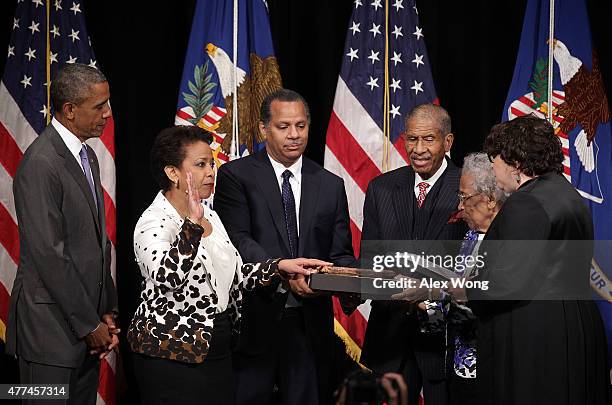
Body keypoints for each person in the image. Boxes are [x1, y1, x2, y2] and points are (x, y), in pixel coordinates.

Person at [127, 125, 328, 405]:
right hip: (172, 357)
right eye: (200, 165)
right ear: (172, 173)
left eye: (212, 163)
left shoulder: (211, 214)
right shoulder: (154, 221)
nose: (211, 172)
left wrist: (280, 267)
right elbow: (168, 277)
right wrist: (192, 227)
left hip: (217, 350)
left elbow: (233, 274)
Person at [214, 89, 356, 405]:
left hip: (308, 328)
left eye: (301, 126)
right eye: (284, 126)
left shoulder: (330, 184)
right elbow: (237, 239)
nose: (294, 135)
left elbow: (341, 252)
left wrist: (335, 280)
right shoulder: (236, 176)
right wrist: (280, 269)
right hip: (253, 322)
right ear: (264, 129)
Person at [466, 115, 610, 404]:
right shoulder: (566, 192)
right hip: (576, 326)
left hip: (538, 336)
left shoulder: (526, 202)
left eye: (495, 164)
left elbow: (508, 280)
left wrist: (468, 290)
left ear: (514, 162)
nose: (494, 174)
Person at [6, 63, 118, 404]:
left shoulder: (87, 156)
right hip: (49, 337)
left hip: (84, 332)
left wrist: (105, 311)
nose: (108, 114)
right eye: (99, 106)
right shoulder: (41, 162)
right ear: (69, 110)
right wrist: (89, 325)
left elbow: (95, 242)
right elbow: (50, 255)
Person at [359, 103, 467, 405]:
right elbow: (370, 259)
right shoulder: (381, 188)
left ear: (447, 142)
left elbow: (474, 266)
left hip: (445, 341)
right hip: (391, 338)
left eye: (428, 139)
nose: (418, 149)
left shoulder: (467, 187)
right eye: (411, 139)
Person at [448, 152, 505, 405]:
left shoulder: (509, 238)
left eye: (465, 197)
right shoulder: (471, 235)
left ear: (491, 199)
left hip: (495, 368)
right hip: (462, 364)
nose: (460, 206)